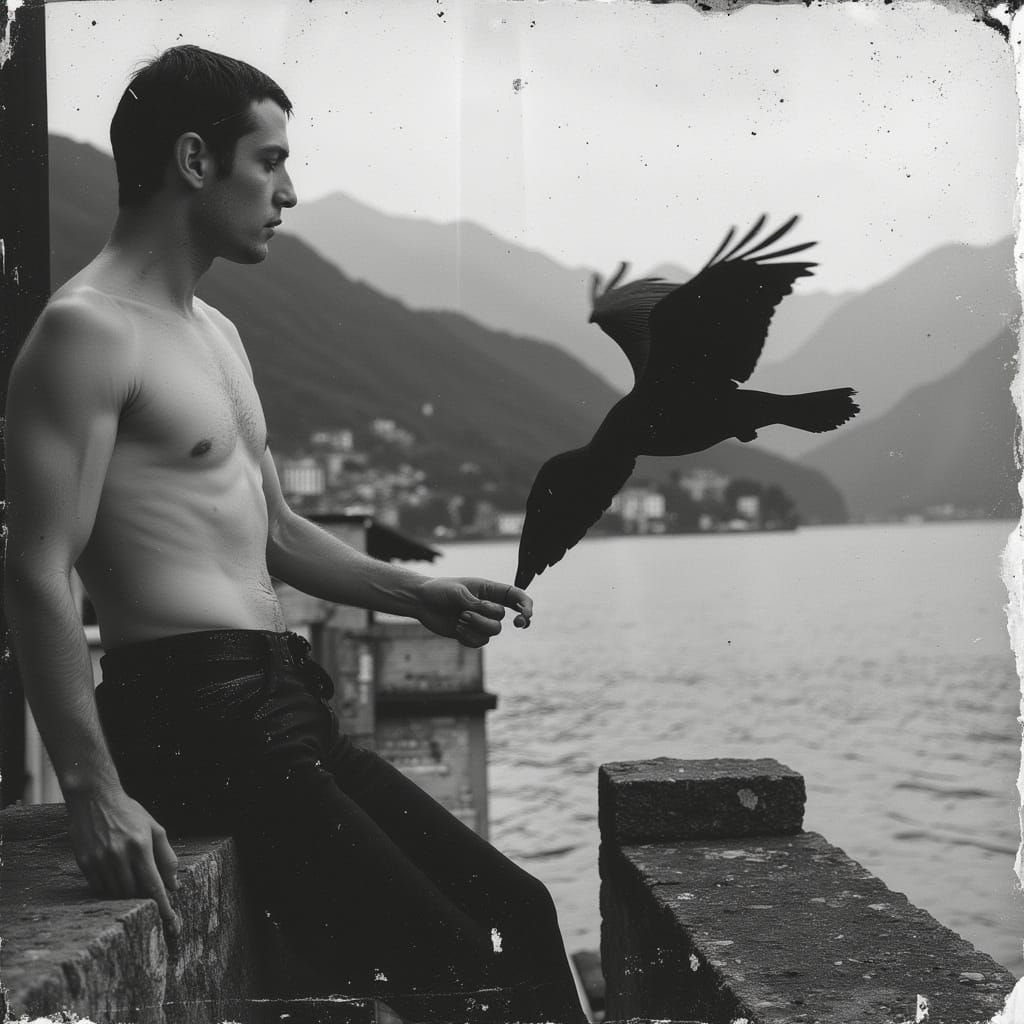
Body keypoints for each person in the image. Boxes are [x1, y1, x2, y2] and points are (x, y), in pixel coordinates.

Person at [4, 45, 585, 1023]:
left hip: (278, 704)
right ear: (195, 160)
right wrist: (93, 790)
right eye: (268, 161)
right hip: (189, 717)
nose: (289, 189)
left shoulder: (216, 333)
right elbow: (38, 566)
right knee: (442, 957)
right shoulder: (85, 332)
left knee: (516, 911)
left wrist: (417, 594)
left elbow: (275, 529)